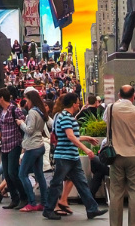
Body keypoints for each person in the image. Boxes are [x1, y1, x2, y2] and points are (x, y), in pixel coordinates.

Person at [43, 93, 103, 222]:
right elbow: (70, 136)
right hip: (64, 156)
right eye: (77, 102)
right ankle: (48, 210)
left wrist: (86, 138)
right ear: (73, 104)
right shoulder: (66, 117)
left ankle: (92, 209)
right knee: (57, 183)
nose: (79, 104)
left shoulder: (65, 116)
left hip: (71, 156)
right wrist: (86, 149)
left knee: (81, 183)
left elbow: (70, 136)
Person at [106, 84, 135, 226]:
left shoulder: (110, 108)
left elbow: (105, 120)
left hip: (116, 155)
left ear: (119, 95)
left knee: (116, 193)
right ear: (134, 96)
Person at [0, 88, 25, 210]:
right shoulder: (1, 112)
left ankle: (23, 197)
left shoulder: (15, 110)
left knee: (12, 172)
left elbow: (23, 124)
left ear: (1, 98)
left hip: (15, 144)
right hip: (4, 146)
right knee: (6, 174)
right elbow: (0, 129)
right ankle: (14, 199)